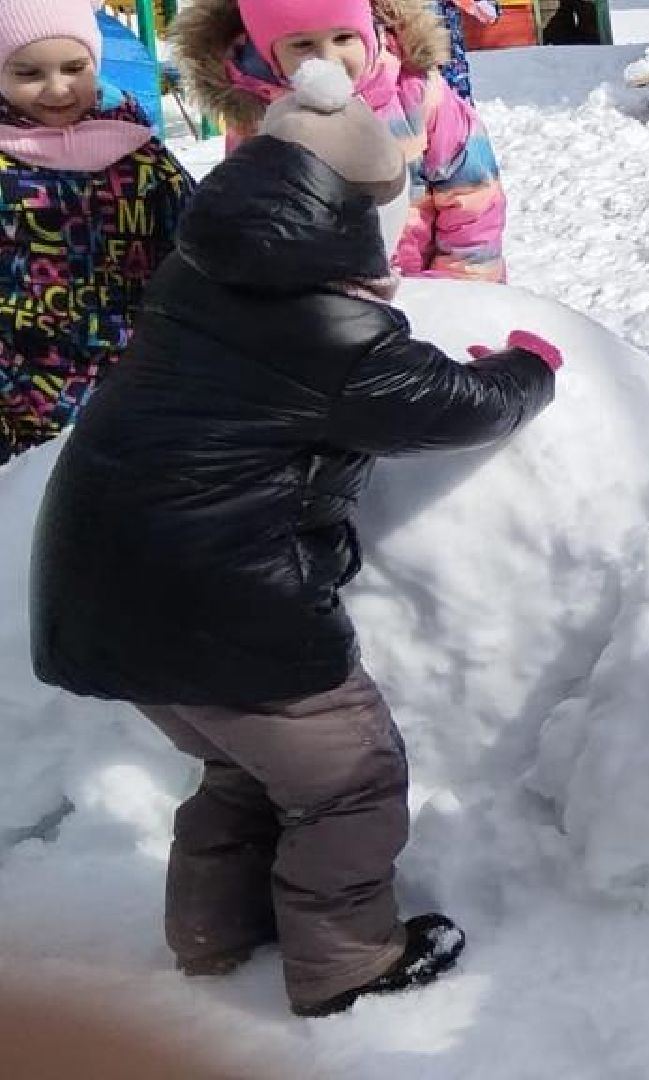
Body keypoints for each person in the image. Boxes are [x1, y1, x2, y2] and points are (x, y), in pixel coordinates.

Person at [28, 61, 560, 1018]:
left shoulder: (204, 275)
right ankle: (346, 962)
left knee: (241, 766)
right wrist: (530, 370)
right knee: (351, 780)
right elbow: (450, 405)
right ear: (356, 212)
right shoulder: (330, 326)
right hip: (222, 606)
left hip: (91, 591)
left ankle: (214, 936)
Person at [171, 0, 509, 279]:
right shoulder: (258, 116)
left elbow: (474, 194)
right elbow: (252, 214)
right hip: (320, 307)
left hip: (422, 289)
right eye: (302, 44)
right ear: (268, 52)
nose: (328, 58)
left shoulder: (415, 93)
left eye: (344, 38)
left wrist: (457, 286)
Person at [1, 0, 192, 461]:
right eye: (29, 74)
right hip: (20, 398)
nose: (57, 88)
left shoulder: (141, 157)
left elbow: (197, 240)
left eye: (74, 67)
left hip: (135, 383)